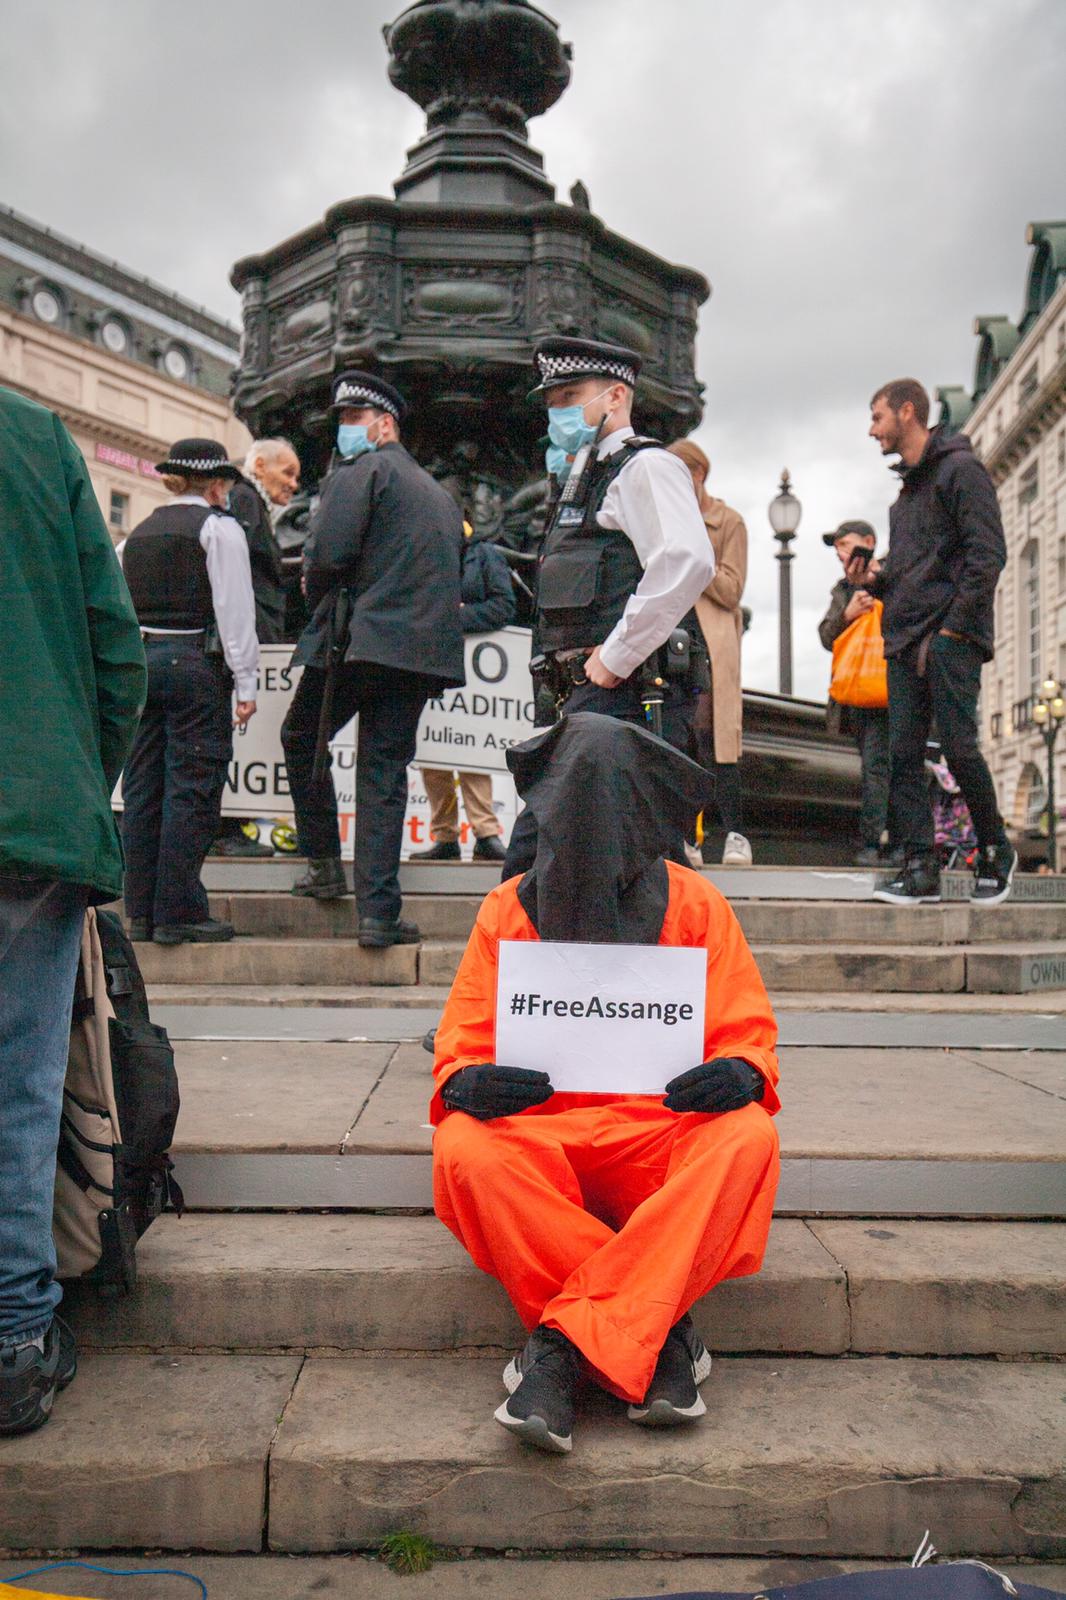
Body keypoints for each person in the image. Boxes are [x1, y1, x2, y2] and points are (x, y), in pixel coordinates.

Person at [432, 714, 781, 1455]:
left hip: (658, 1136)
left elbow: (747, 1033)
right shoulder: (506, 909)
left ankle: (557, 1348)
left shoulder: (696, 905)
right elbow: (460, 1047)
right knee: (464, 1147)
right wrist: (467, 1083)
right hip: (542, 1140)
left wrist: (741, 1071)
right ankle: (659, 1339)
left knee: (748, 1136)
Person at [0, 385, 146, 1435]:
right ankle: (12, 1337)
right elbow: (114, 644)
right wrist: (68, 785)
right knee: (19, 1082)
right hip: (29, 814)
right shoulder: (33, 433)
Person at [502, 336, 715, 877]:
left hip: (627, 698)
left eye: (571, 396)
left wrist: (616, 656)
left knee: (618, 865)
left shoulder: (645, 467)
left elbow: (686, 561)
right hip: (579, 701)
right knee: (550, 862)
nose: (558, 412)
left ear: (617, 396)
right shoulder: (580, 479)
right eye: (551, 402)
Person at [282, 371, 465, 946]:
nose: (343, 429)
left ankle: (323, 864)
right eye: (340, 419)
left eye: (352, 419)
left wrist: (316, 592)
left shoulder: (360, 471)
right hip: (416, 655)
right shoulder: (439, 494)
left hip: (355, 645)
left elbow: (327, 555)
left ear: (385, 425)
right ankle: (378, 913)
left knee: (301, 738)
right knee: (384, 772)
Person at [858, 379, 1013, 906]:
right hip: (904, 639)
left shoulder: (960, 470)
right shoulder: (903, 501)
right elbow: (908, 575)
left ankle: (996, 850)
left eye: (877, 417)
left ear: (908, 412)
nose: (872, 429)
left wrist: (955, 631)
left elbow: (987, 553)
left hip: (949, 638)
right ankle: (919, 866)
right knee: (903, 756)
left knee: (958, 747)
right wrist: (875, 580)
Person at [121, 438, 258, 945]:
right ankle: (178, 909)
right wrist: (247, 681)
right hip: (195, 664)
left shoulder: (135, 535)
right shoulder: (218, 529)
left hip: (142, 663)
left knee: (143, 789)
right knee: (192, 787)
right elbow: (235, 611)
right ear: (217, 484)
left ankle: (140, 908)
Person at [212, 438, 302, 860]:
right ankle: (226, 827)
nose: (294, 484)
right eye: (288, 473)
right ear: (259, 465)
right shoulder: (246, 500)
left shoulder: (247, 502)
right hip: (251, 639)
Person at [667, 439, 751, 866]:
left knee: (718, 738)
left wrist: (694, 556)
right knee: (680, 735)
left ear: (698, 474)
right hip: (673, 636)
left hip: (713, 642)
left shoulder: (728, 522)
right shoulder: (665, 521)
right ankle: (686, 836)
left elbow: (733, 589)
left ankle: (733, 833)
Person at [412, 524, 516, 864]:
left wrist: (454, 617)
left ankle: (485, 833)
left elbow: (503, 606)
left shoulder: (484, 555)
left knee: (469, 750)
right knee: (435, 752)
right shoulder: (424, 553)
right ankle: (445, 836)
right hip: (432, 665)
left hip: (474, 677)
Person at [818, 520, 893, 866]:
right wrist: (847, 614)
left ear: (869, 543)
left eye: (846, 545)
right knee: (872, 766)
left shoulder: (890, 576)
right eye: (837, 549)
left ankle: (874, 842)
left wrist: (876, 588)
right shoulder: (841, 590)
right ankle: (878, 840)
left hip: (889, 689)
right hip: (857, 693)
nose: (841, 554)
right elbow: (825, 636)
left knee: (880, 766)